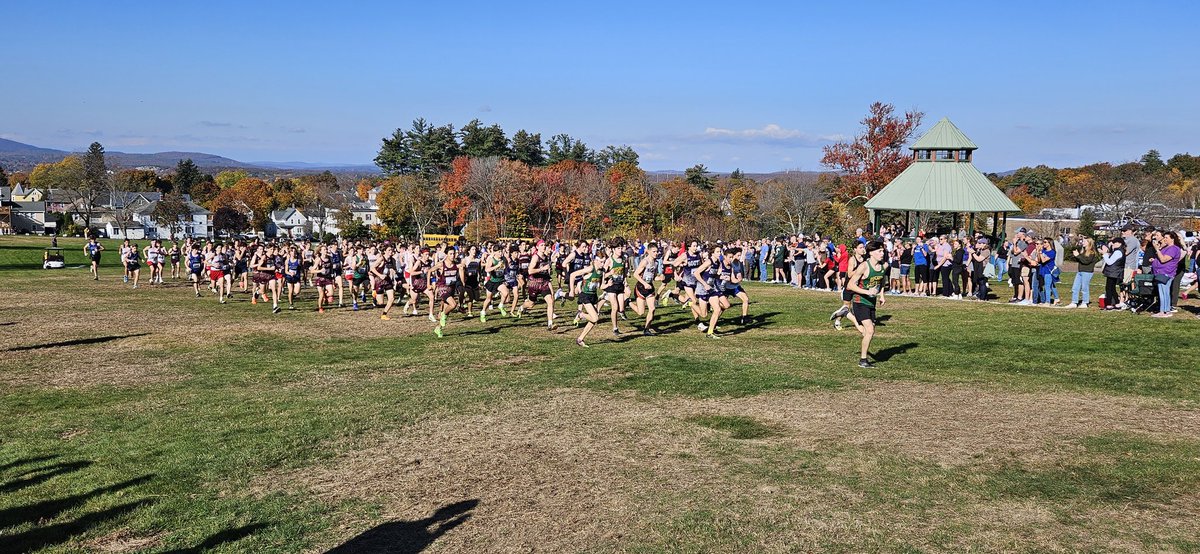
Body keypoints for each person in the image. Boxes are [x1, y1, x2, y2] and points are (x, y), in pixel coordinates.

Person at [846, 240, 887, 368]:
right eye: (879, 251)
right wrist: (866, 291)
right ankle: (863, 360)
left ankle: (848, 315)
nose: (882, 253)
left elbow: (881, 282)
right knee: (870, 330)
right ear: (871, 253)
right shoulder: (864, 266)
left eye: (883, 250)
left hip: (871, 303)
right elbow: (850, 285)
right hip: (859, 301)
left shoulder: (883, 266)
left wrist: (881, 295)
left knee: (868, 332)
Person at [1149, 231, 1182, 318]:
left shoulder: (1173, 249)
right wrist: (1155, 260)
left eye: (1166, 238)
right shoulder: (1166, 248)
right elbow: (1160, 258)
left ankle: (1163, 311)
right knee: (1164, 291)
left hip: (1165, 272)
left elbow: (1163, 259)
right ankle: (1166, 310)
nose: (1165, 239)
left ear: (1172, 239)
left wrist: (1156, 249)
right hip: (1161, 272)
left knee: (1163, 292)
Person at [1067, 237, 1099, 309]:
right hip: (1080, 271)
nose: (1083, 243)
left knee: (1084, 288)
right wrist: (1076, 256)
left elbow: (1086, 261)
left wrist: (1078, 255)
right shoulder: (1083, 251)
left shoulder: (1092, 252)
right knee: (1075, 287)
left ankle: (1085, 302)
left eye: (1085, 241)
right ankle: (1074, 302)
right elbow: (1080, 260)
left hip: (1087, 272)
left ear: (1089, 243)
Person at [1099, 238, 1124, 311]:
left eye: (1115, 243)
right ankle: (1116, 303)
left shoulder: (1118, 252)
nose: (1113, 244)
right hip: (1114, 272)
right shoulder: (1118, 251)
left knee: (1109, 288)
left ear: (1120, 243)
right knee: (1112, 289)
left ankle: (1109, 304)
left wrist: (1104, 254)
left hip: (1113, 272)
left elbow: (1109, 262)